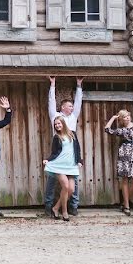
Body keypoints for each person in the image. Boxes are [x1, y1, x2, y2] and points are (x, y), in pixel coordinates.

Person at [45, 75, 83, 217]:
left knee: (73, 185)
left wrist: (79, 86)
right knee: (52, 180)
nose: (72, 107)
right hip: (58, 150)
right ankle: (49, 205)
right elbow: (51, 101)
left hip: (71, 151)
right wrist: (52, 85)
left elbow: (79, 103)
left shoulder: (73, 117)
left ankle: (72, 206)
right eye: (70, 106)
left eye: (72, 106)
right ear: (63, 107)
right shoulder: (55, 116)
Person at [105, 109, 133, 215]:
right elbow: (107, 129)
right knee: (124, 180)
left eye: (128, 115)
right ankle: (127, 206)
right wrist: (113, 118)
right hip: (124, 154)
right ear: (121, 119)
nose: (127, 117)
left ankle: (125, 201)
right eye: (124, 116)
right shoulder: (122, 130)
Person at [43, 115, 82, 222]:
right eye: (55, 124)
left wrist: (79, 161)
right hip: (59, 165)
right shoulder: (56, 137)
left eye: (59, 123)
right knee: (65, 186)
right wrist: (48, 160)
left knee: (71, 189)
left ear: (63, 123)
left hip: (71, 165)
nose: (57, 125)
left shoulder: (72, 134)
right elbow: (54, 152)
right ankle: (64, 211)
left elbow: (77, 148)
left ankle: (55, 208)